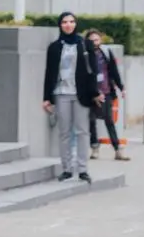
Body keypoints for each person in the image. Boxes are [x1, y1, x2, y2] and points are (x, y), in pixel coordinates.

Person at [41, 11, 99, 183]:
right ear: (60, 25)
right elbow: (49, 73)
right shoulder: (54, 47)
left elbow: (93, 71)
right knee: (64, 132)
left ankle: (83, 169)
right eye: (65, 22)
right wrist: (47, 97)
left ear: (76, 24)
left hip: (81, 94)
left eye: (72, 21)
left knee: (82, 131)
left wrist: (95, 93)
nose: (68, 25)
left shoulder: (85, 44)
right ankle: (66, 168)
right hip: (61, 93)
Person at [86, 29, 130, 161]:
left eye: (97, 40)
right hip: (90, 93)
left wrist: (121, 87)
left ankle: (117, 149)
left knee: (109, 120)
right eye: (92, 40)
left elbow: (114, 71)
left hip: (106, 91)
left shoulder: (106, 52)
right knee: (91, 120)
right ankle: (94, 147)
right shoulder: (84, 54)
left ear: (100, 40)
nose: (95, 42)